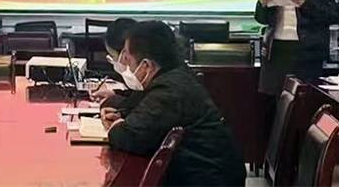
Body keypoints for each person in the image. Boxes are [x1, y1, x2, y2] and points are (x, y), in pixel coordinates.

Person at [100, 21, 246, 187]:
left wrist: (116, 126)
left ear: (146, 65)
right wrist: (122, 116)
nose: (126, 66)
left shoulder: (168, 92)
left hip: (207, 179)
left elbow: (129, 136)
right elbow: (145, 118)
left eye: (128, 60)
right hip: (210, 173)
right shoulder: (175, 75)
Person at [91, 18, 138, 103]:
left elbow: (139, 105)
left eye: (113, 57)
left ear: (125, 56)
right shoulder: (145, 82)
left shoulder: (158, 89)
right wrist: (114, 95)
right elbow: (136, 97)